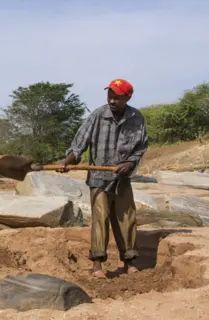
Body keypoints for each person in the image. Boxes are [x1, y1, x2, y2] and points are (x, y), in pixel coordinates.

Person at [61, 79, 148, 279]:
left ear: (127, 97)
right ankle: (98, 265)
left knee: (127, 219)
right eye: (110, 95)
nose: (112, 100)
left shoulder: (137, 118)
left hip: (122, 178)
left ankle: (129, 261)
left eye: (117, 97)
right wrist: (67, 162)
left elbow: (140, 148)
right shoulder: (98, 116)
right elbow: (78, 145)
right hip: (99, 179)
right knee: (100, 219)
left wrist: (131, 163)